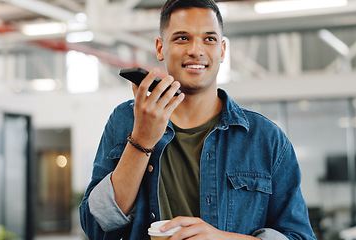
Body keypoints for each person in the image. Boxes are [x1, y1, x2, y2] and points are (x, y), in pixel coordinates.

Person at [79, 0, 316, 239]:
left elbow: (299, 236)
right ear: (160, 48)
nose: (196, 49)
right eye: (182, 38)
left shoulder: (265, 138)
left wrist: (221, 238)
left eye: (209, 39)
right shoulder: (125, 120)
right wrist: (142, 139)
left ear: (222, 50)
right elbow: (96, 226)